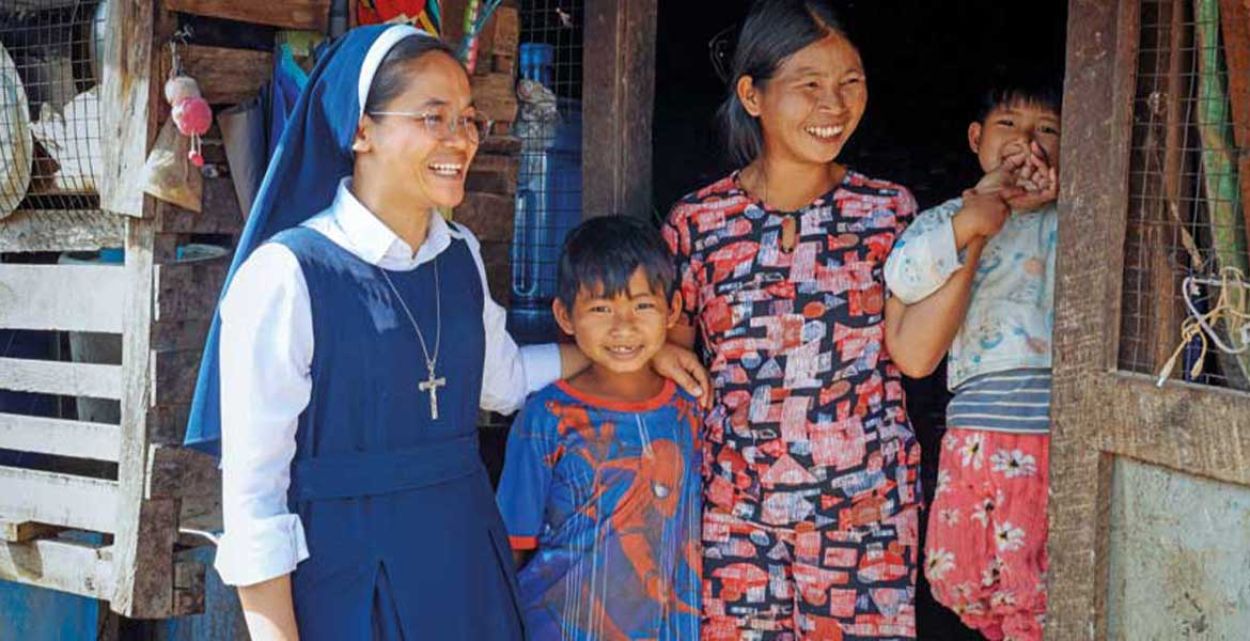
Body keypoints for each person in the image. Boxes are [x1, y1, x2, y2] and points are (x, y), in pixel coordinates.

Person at [182, 25, 710, 641]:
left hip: (463, 566)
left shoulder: (459, 255)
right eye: (434, 118)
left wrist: (633, 359)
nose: (460, 139)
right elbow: (254, 500)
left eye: (467, 119)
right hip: (350, 577)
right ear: (360, 130)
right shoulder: (286, 275)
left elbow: (503, 379)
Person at [663, 2, 922, 638]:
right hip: (736, 515)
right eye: (809, 85)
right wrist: (662, 353)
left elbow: (915, 353)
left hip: (866, 514)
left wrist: (970, 231)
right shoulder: (698, 223)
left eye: (850, 82)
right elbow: (674, 351)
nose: (834, 105)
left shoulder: (888, 213)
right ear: (752, 94)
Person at [883, 77, 1061, 641]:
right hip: (978, 432)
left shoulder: (1075, 220)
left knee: (1044, 578)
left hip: (1054, 430)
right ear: (976, 138)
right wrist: (973, 219)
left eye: (1048, 131)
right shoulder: (945, 219)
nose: (1026, 143)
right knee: (961, 569)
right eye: (1009, 125)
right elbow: (903, 276)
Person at [496, 215, 703, 640]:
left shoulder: (690, 410)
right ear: (565, 316)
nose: (623, 326)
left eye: (642, 305)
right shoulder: (545, 418)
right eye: (601, 308)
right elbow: (512, 546)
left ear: (674, 310)